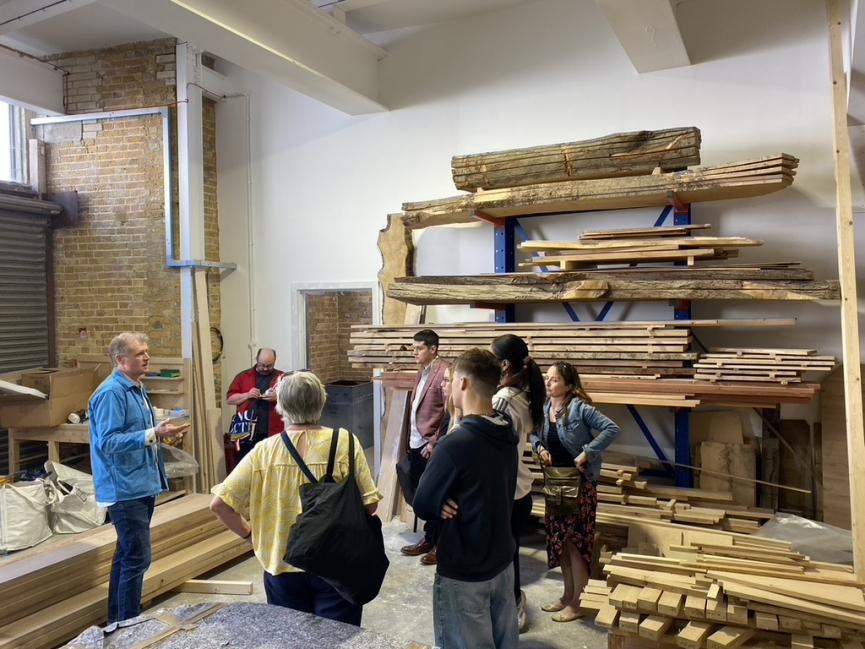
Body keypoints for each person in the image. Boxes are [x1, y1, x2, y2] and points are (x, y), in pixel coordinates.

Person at [210, 371, 381, 625]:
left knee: (291, 638)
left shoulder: (264, 451)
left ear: (280, 406)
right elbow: (370, 505)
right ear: (322, 403)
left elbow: (220, 504)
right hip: (336, 563)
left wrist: (251, 536)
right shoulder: (345, 442)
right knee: (338, 639)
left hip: (282, 563)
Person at [413, 349, 519, 649]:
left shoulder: (455, 444)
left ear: (463, 384)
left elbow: (422, 503)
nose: (445, 386)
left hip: (466, 571)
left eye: (449, 380)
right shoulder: (504, 430)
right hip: (501, 560)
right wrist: (441, 498)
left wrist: (438, 499)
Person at [89, 332, 189, 625]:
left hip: (141, 482)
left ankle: (118, 621)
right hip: (124, 488)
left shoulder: (136, 388)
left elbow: (136, 433)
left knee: (127, 554)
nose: (147, 357)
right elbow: (107, 442)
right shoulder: (111, 393)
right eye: (140, 353)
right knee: (137, 558)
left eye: (147, 351)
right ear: (121, 360)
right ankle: (129, 625)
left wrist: (161, 434)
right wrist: (153, 434)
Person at [530, 361, 619, 623]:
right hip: (556, 483)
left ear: (568, 385)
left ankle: (579, 602)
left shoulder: (580, 409)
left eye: (555, 379)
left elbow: (611, 429)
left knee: (577, 544)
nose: (549, 383)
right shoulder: (546, 408)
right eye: (548, 378)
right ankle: (568, 595)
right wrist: (539, 449)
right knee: (562, 544)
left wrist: (587, 452)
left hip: (580, 487)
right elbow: (534, 435)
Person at [490, 334, 546, 634]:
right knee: (509, 553)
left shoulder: (503, 400)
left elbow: (493, 448)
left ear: (505, 364)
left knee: (503, 557)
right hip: (520, 488)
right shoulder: (523, 395)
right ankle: (512, 601)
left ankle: (510, 606)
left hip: (506, 490)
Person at [399, 329, 450, 566]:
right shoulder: (423, 371)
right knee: (423, 495)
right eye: (414, 348)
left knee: (438, 498)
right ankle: (429, 539)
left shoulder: (444, 373)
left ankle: (441, 545)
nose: (415, 352)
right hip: (416, 443)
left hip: (430, 445)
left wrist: (433, 442)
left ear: (433, 349)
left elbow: (449, 413)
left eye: (419, 348)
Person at [226, 348, 286, 459]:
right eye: (262, 365)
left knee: (271, 464)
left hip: (272, 431)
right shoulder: (243, 376)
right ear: (256, 359)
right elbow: (230, 399)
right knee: (244, 464)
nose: (265, 368)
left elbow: (294, 399)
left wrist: (278, 397)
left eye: (269, 365)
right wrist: (247, 395)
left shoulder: (282, 377)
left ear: (275, 361)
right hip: (245, 431)